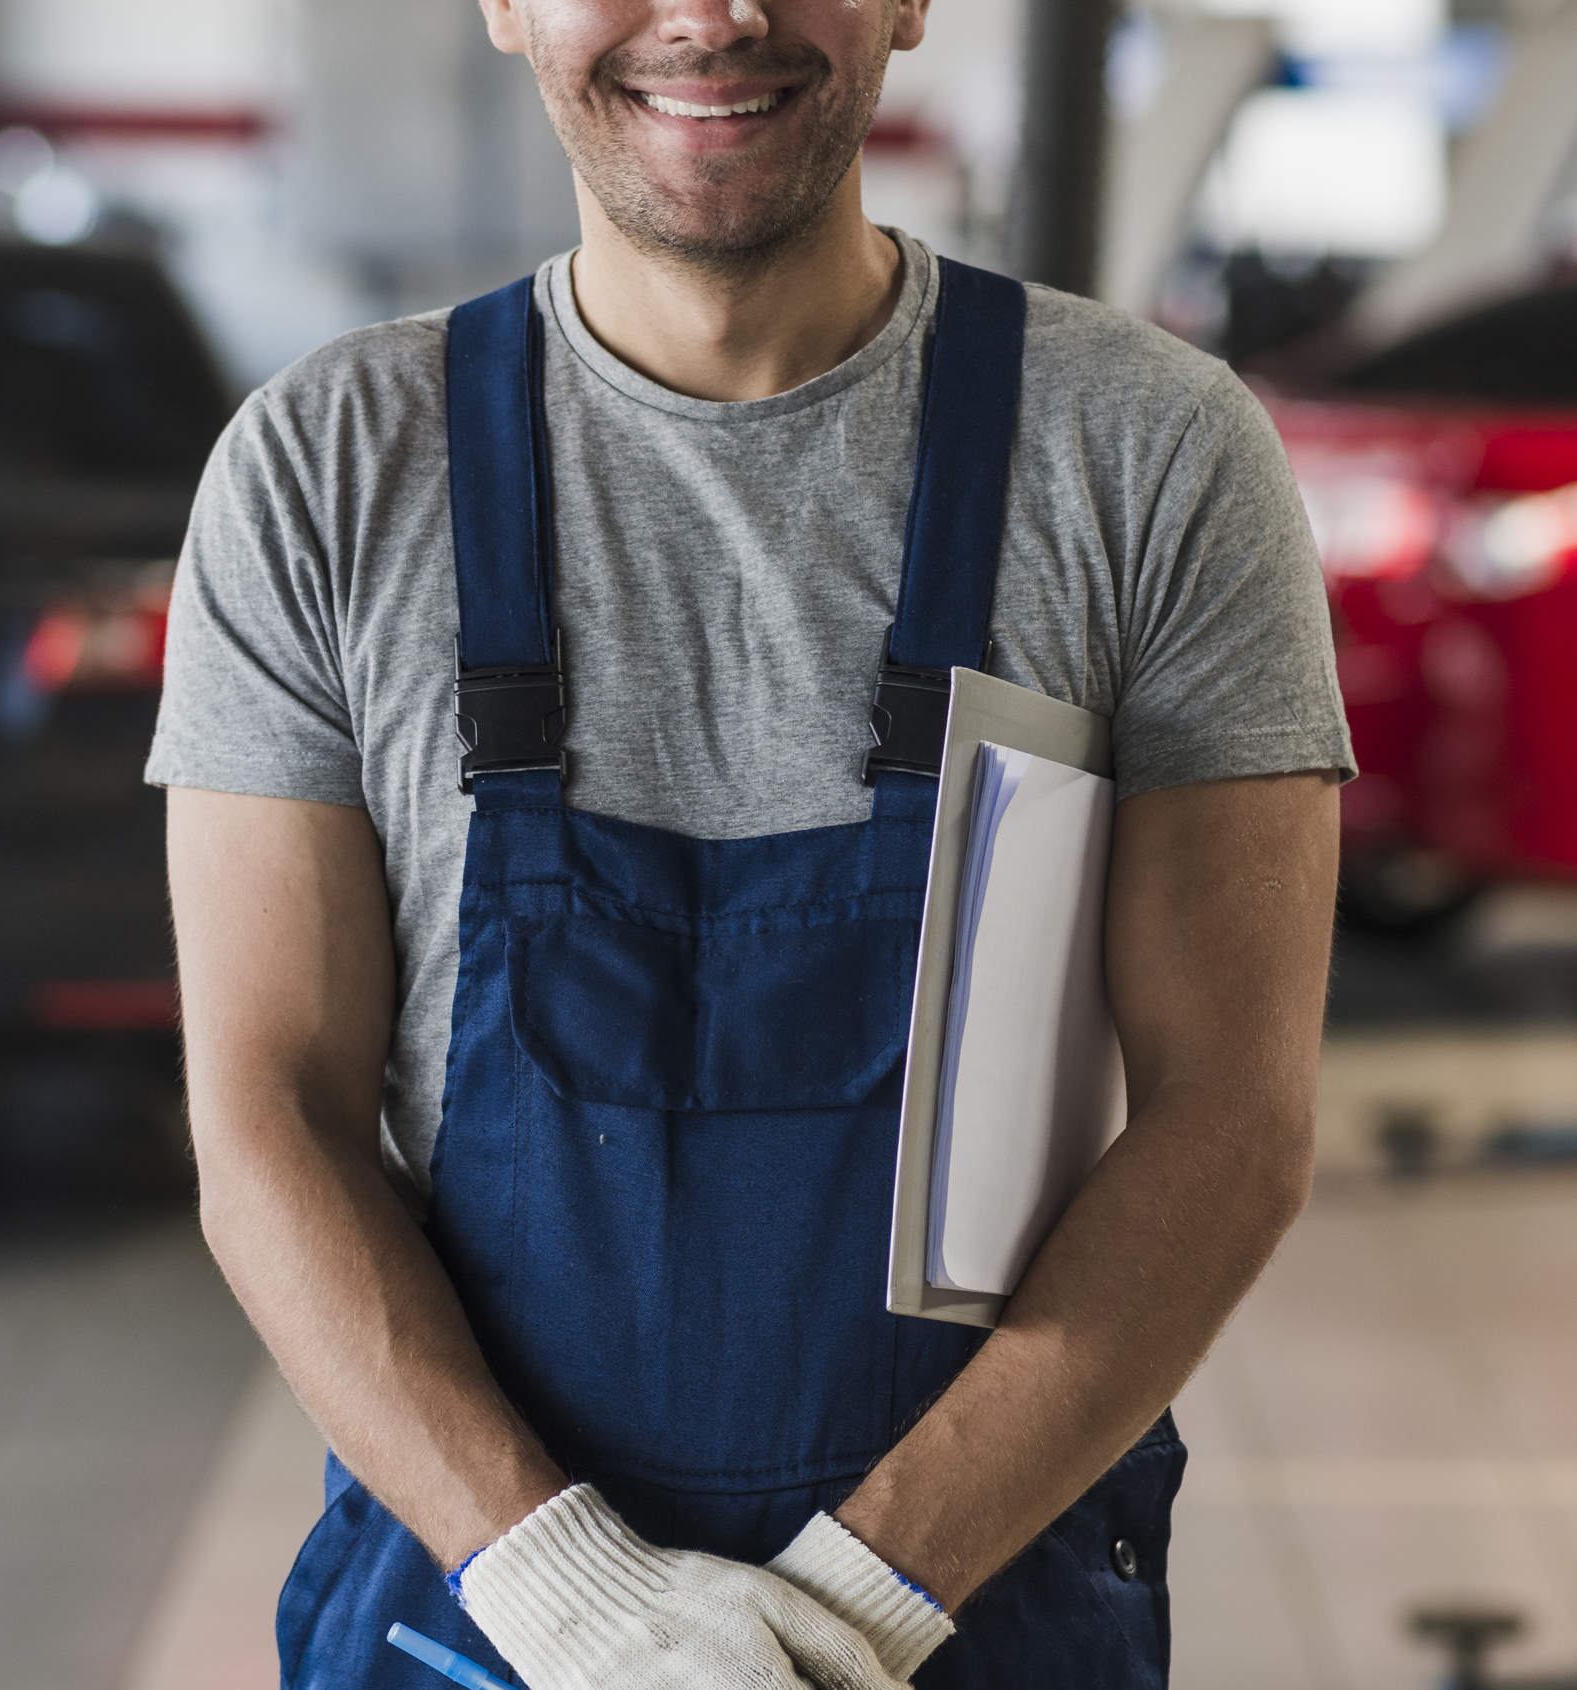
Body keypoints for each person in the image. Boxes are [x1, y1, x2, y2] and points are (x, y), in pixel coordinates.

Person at [149, 0, 1353, 1675]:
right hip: (481, 1606)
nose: (713, 17)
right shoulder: (325, 470)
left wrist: (854, 1606)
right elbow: (268, 1114)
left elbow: (1230, 1118)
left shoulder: (1150, 460)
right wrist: (573, 1599)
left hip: (965, 1602)